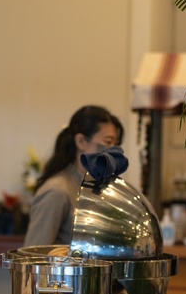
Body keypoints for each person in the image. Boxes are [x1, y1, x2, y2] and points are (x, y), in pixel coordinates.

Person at [23, 105, 124, 247]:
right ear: (81, 142)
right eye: (108, 142)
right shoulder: (57, 191)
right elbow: (32, 256)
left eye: (116, 143)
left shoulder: (95, 185)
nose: (114, 150)